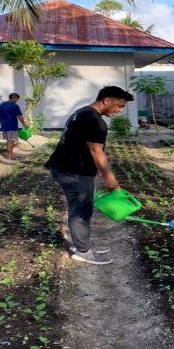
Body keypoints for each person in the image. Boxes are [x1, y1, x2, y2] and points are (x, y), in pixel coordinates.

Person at [45, 85, 133, 265]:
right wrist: (109, 176)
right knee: (81, 209)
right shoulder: (95, 121)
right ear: (106, 100)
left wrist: (97, 170)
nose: (119, 110)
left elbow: (82, 146)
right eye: (119, 106)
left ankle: (81, 243)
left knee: (78, 207)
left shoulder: (82, 112)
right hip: (74, 171)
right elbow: (96, 151)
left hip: (65, 167)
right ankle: (83, 250)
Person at [0, 93, 28, 160]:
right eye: (17, 99)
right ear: (14, 98)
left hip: (4, 126)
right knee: (11, 141)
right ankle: (9, 156)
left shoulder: (2, 105)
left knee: (8, 140)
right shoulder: (15, 106)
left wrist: (2, 123)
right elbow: (19, 116)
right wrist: (24, 124)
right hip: (12, 126)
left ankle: (10, 154)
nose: (17, 100)